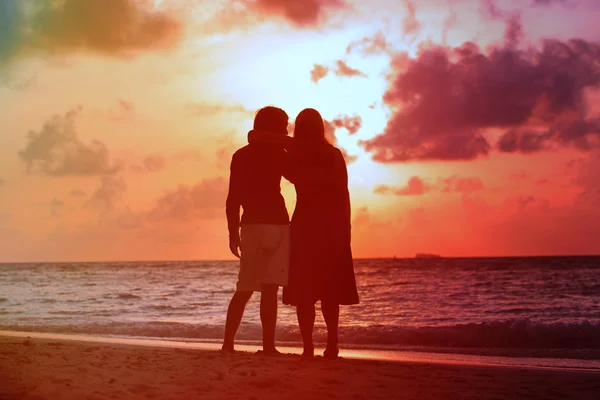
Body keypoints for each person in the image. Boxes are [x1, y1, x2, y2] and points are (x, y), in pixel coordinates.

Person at [249, 108, 359, 360]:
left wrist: (290, 142)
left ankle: (308, 348)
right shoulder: (332, 154)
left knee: (305, 292)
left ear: (298, 128)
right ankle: (332, 345)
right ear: (320, 128)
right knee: (330, 290)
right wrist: (347, 228)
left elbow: (254, 136)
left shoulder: (294, 155)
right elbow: (344, 194)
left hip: (305, 225)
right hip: (332, 225)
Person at [222, 106, 291, 355]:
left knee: (244, 288)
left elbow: (233, 199)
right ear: (274, 128)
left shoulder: (241, 155)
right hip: (276, 223)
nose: (286, 129)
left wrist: (232, 233)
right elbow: (296, 176)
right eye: (284, 125)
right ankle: (269, 347)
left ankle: (228, 343)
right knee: (269, 289)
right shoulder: (280, 153)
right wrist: (287, 144)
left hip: (250, 225)